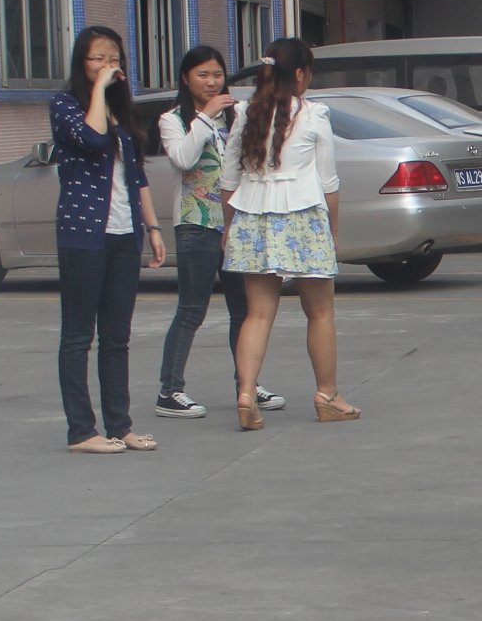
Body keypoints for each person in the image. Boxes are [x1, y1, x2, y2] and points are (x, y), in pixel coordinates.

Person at [224, 37, 358, 428]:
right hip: (303, 215)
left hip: (253, 216)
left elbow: (228, 182)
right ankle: (327, 395)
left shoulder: (244, 113)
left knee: (258, 314)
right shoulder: (315, 115)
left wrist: (230, 228)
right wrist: (332, 232)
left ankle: (247, 392)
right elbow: (328, 183)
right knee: (319, 312)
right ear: (300, 73)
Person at [153, 44, 286, 421]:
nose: (212, 83)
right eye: (202, 75)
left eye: (217, 75)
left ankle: (247, 385)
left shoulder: (238, 115)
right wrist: (206, 118)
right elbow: (183, 158)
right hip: (196, 224)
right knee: (192, 310)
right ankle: (170, 390)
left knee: (242, 311)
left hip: (236, 223)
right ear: (185, 78)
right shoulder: (173, 119)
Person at [49, 26, 166, 453]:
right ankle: (82, 431)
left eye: (113, 58)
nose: (106, 65)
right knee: (79, 335)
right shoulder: (65, 105)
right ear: (82, 63)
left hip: (124, 233)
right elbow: (92, 138)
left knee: (117, 336)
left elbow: (136, 177)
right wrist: (99, 89)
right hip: (83, 235)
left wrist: (152, 228)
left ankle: (120, 424)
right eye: (97, 58)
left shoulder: (122, 111)